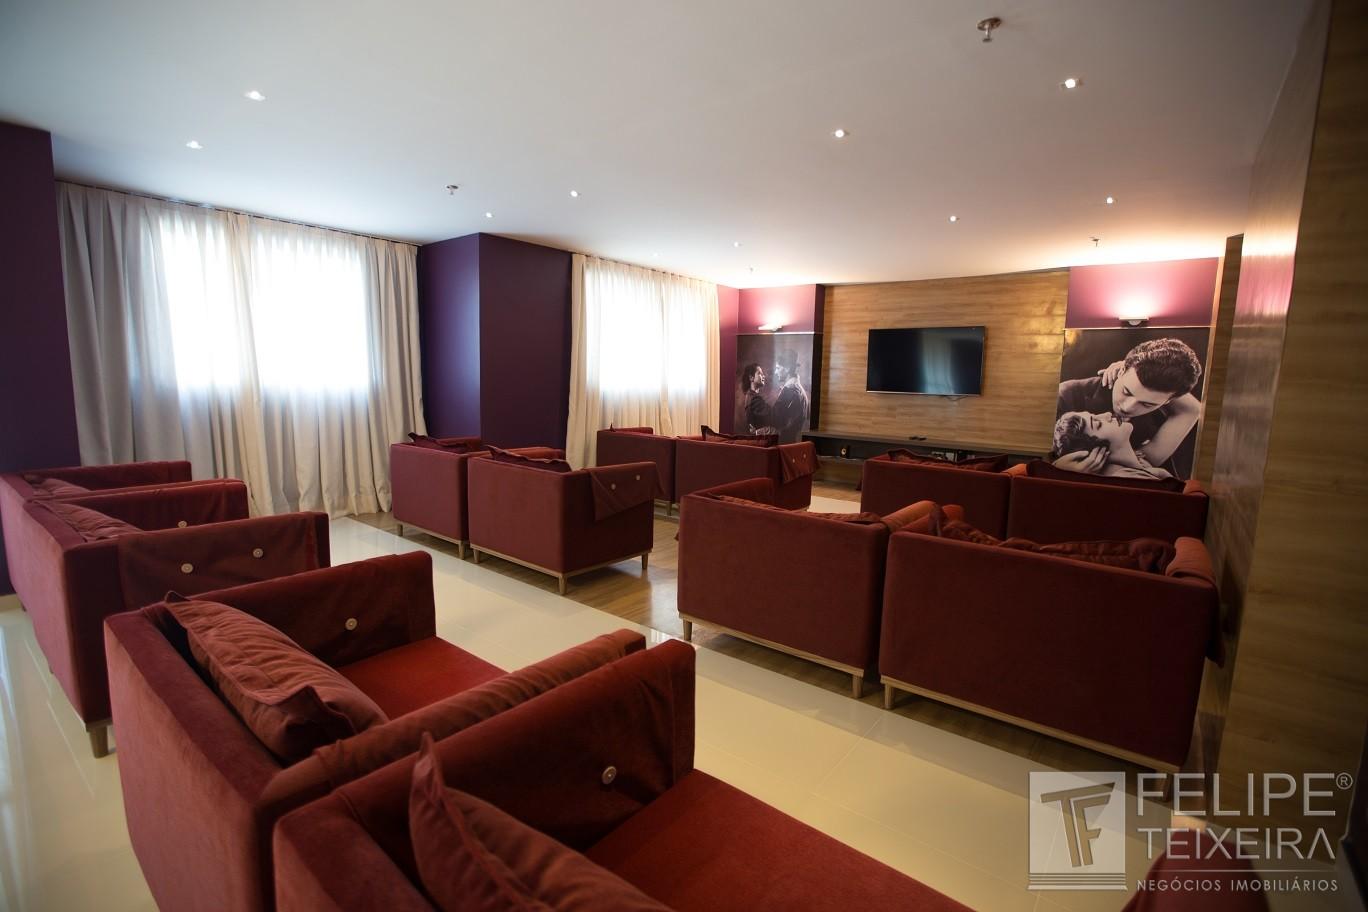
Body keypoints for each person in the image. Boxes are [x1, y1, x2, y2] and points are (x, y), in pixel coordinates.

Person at [1054, 338, 1203, 478]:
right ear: (1121, 371)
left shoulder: (1159, 419)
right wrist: (1058, 469)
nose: (1127, 407)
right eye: (1126, 391)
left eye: (1147, 404)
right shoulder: (1067, 394)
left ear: (1168, 401)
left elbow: (1193, 409)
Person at [1051, 410, 1173, 480]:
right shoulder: (1126, 479)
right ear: (1091, 455)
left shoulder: (1140, 465)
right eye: (1098, 423)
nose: (1108, 414)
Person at [770, 349, 810, 443]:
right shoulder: (797, 388)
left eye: (778, 368)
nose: (775, 372)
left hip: (786, 444)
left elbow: (775, 419)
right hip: (793, 443)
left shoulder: (790, 390)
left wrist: (759, 429)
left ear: (787, 368)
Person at [740, 363, 778, 436]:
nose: (764, 376)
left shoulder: (751, 396)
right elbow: (772, 416)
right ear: (751, 378)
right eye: (760, 373)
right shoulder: (754, 399)